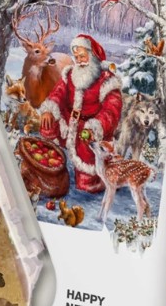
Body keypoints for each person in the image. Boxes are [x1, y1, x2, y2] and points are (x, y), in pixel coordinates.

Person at [39, 34, 123, 193]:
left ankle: (105, 177)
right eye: (76, 57)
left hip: (90, 130)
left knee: (86, 186)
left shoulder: (106, 79)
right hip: (69, 123)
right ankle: (52, 163)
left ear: (93, 56)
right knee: (47, 124)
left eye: (83, 56)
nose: (79, 61)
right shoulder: (70, 74)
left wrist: (94, 127)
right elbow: (58, 93)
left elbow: (111, 110)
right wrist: (49, 110)